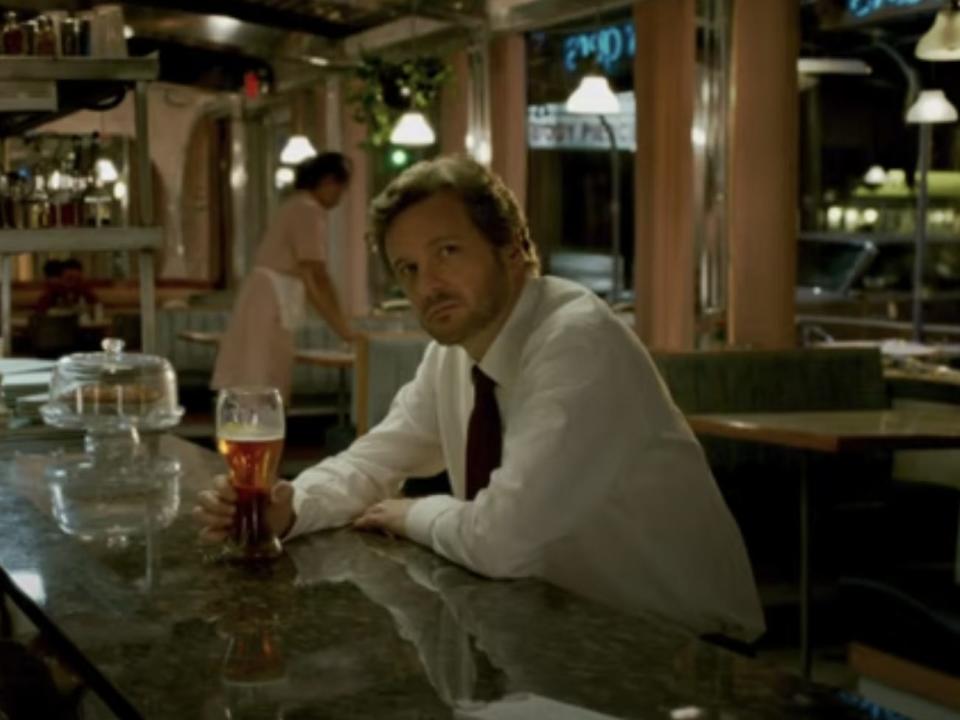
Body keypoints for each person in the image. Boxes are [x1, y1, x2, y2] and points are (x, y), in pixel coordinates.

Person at [196, 155, 765, 642]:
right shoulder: (453, 354)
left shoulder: (576, 340)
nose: (428, 285)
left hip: (681, 652)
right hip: (554, 631)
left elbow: (502, 541)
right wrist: (292, 506)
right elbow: (374, 460)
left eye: (448, 251)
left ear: (513, 246)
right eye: (409, 268)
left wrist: (413, 511)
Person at [211, 152, 355, 404]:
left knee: (256, 374)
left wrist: (339, 322)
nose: (341, 198)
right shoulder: (308, 209)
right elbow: (316, 274)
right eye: (341, 190)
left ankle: (251, 437)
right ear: (329, 183)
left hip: (267, 295)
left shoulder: (295, 205)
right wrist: (343, 328)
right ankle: (257, 440)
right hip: (270, 299)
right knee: (261, 375)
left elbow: (313, 277)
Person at [34, 258, 98, 315]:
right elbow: (41, 311)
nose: (73, 283)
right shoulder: (53, 291)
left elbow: (96, 307)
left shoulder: (84, 290)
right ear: (60, 278)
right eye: (69, 279)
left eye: (77, 280)